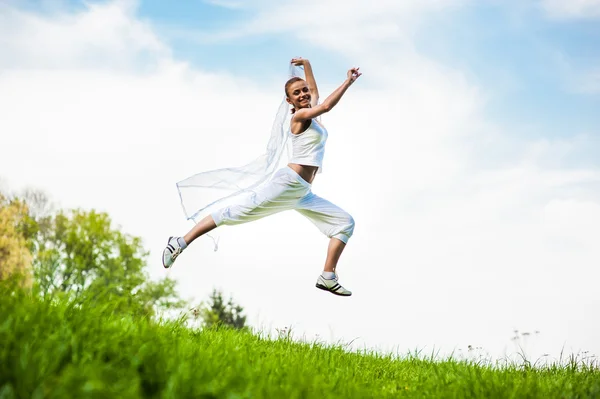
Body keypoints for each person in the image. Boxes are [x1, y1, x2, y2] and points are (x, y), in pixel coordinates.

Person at [162, 57, 362, 296]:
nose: (303, 94)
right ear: (289, 101)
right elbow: (326, 105)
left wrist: (307, 64)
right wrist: (348, 81)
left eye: (304, 91)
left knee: (344, 222)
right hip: (287, 185)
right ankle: (180, 242)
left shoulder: (311, 113)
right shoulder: (299, 118)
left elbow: (317, 93)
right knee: (234, 213)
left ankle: (328, 275)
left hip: (302, 194)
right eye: (297, 93)